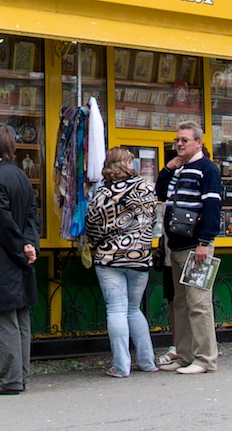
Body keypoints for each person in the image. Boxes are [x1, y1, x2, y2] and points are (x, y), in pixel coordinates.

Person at [0, 125, 41, 394]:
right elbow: (31, 217)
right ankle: (20, 375)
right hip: (21, 257)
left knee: (3, 322)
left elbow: (2, 221)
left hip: (1, 258)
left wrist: (19, 248)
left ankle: (10, 379)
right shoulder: (21, 176)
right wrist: (29, 246)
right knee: (21, 319)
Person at [85, 147, 159, 378]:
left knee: (116, 309)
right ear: (129, 164)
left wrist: (98, 242)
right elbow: (153, 221)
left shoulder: (102, 193)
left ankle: (121, 366)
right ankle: (147, 361)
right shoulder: (147, 189)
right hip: (140, 258)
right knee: (134, 310)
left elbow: (92, 226)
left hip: (109, 258)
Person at [155, 122, 222, 374]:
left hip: (196, 247)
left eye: (184, 140)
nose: (179, 144)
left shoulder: (207, 170)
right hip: (176, 246)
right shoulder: (180, 169)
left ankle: (205, 359)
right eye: (177, 140)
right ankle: (184, 355)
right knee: (181, 303)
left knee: (199, 303)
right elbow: (160, 194)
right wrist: (167, 169)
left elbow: (213, 209)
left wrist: (205, 242)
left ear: (198, 143)